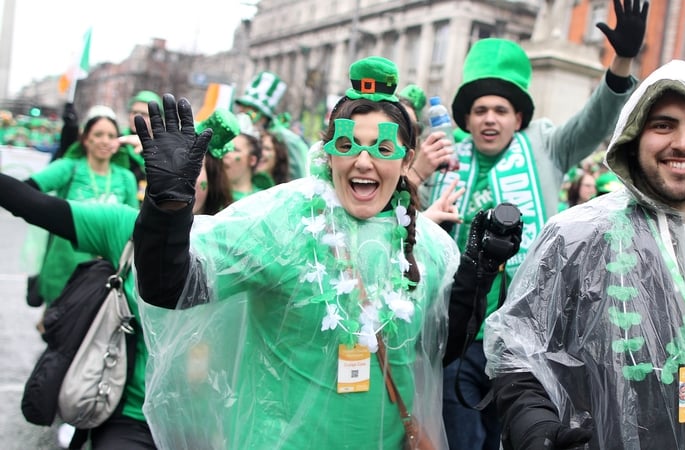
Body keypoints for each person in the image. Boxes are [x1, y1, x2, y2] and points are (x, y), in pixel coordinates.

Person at [131, 55, 519, 449]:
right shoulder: (280, 221)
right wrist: (168, 206)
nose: (363, 161)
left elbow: (434, 348)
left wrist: (478, 272)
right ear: (328, 152)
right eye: (348, 144)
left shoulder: (428, 244)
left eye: (382, 148)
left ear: (406, 161)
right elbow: (169, 287)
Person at [483, 59, 685, 449]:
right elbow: (517, 353)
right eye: (663, 125)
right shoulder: (574, 239)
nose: (684, 142)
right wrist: (538, 430)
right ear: (633, 137)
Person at [404, 0, 649, 447]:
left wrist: (621, 63)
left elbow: (595, 121)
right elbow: (396, 230)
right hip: (459, 342)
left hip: (528, 343)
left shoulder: (548, 149)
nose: (490, 119)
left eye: (500, 109)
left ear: (519, 117)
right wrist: (415, 174)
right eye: (479, 110)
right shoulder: (445, 161)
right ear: (466, 119)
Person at [0, 108, 239, 449]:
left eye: (190, 167)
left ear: (212, 178)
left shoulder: (235, 238)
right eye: (170, 165)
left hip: (207, 421)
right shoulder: (126, 226)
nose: (178, 175)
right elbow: (33, 204)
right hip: (130, 415)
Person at [25, 106, 139, 308]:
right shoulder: (70, 167)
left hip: (105, 272)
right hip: (64, 268)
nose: (105, 140)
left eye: (111, 135)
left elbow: (133, 226)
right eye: (98, 134)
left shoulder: (126, 177)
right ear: (86, 139)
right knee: (61, 331)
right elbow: (26, 189)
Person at [235, 71, 309, 181]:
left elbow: (302, 176)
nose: (243, 113)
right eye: (242, 107)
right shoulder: (239, 132)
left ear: (263, 114)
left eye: (250, 109)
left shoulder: (285, 139)